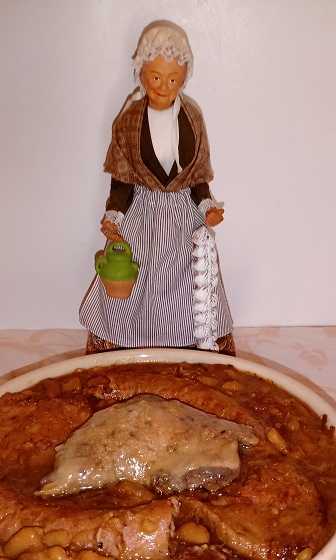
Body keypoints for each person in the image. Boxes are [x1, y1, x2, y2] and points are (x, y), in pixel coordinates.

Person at [79, 20, 235, 356]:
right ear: (142, 73)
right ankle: (123, 338)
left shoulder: (192, 118)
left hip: (182, 217)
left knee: (188, 277)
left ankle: (189, 340)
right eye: (156, 77)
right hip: (143, 213)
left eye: (173, 78)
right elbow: (122, 179)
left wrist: (208, 207)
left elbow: (198, 178)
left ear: (184, 78)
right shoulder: (128, 121)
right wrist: (114, 216)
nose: (164, 86)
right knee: (133, 273)